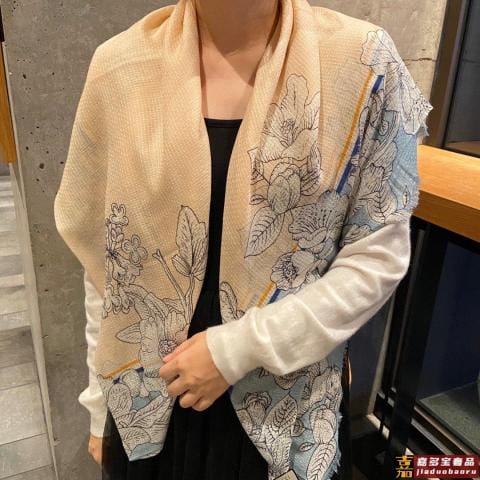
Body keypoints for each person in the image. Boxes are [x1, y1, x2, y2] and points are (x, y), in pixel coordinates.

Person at [54, 0, 432, 479]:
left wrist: (236, 350)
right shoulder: (121, 68)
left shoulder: (361, 63)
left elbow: (376, 257)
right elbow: (109, 265)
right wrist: (98, 403)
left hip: (288, 401)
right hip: (152, 402)